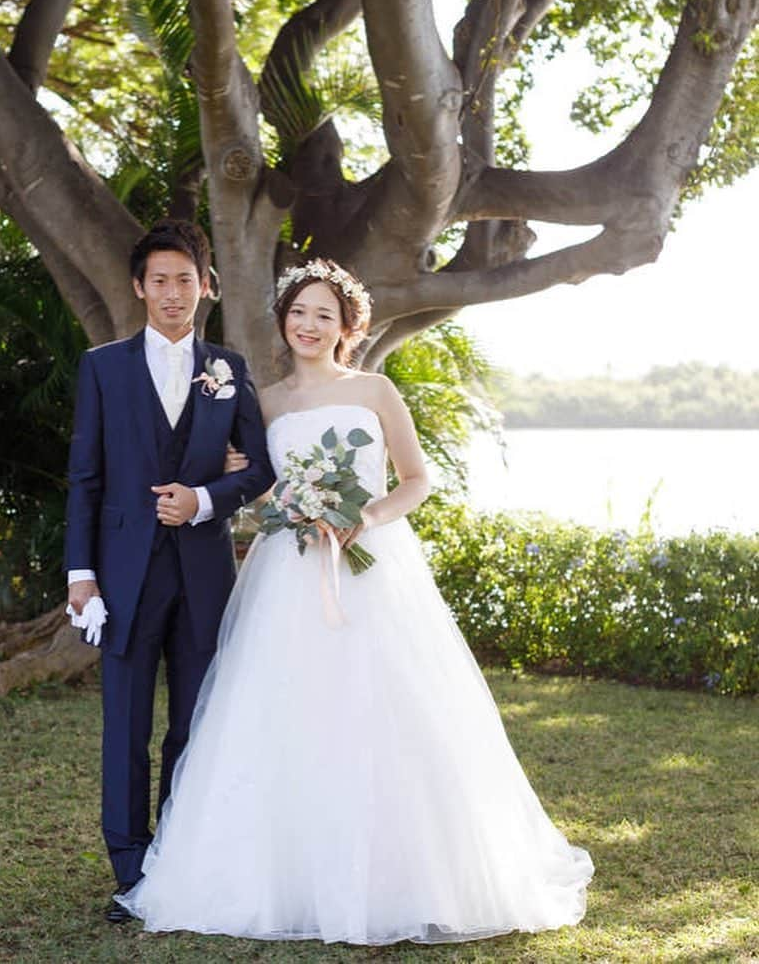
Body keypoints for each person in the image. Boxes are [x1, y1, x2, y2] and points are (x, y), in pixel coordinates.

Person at [116, 258, 594, 945]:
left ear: (347, 327)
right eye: (299, 313)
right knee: (283, 713)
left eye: (324, 316)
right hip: (288, 570)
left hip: (374, 571)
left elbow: (416, 479)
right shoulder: (264, 400)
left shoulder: (375, 390)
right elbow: (250, 480)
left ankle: (400, 876)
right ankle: (283, 875)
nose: (308, 325)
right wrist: (281, 498)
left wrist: (364, 518)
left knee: (387, 710)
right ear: (284, 320)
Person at [64, 219, 275, 922]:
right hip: (122, 575)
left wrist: (206, 499)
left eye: (186, 279)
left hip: (204, 576)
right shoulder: (102, 367)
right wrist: (80, 575)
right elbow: (85, 479)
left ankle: (180, 859)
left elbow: (261, 469)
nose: (173, 293)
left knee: (194, 725)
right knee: (124, 729)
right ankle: (130, 872)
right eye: (160, 280)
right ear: (139, 287)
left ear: (205, 286)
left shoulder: (229, 370)